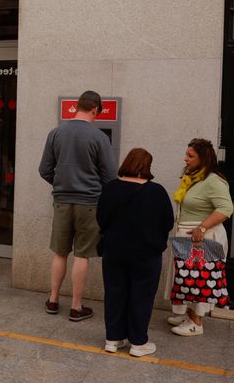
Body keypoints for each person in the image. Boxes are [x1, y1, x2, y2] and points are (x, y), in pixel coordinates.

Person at [38, 90, 116, 321]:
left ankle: (53, 300)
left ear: (77, 106)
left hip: (62, 202)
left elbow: (44, 170)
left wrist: (62, 184)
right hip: (90, 203)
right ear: (95, 110)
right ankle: (76, 306)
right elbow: (110, 176)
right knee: (82, 256)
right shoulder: (100, 137)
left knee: (60, 253)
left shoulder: (56, 133)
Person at [97, 148, 174, 357]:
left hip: (114, 251)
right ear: (147, 166)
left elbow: (101, 218)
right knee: (142, 296)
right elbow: (168, 221)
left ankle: (112, 339)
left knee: (114, 293)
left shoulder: (111, 188)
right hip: (146, 254)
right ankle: (138, 343)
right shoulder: (157, 192)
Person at [167, 138, 233, 337]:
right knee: (187, 278)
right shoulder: (193, 177)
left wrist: (202, 228)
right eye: (186, 154)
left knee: (200, 279)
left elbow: (227, 208)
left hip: (203, 237)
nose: (185, 159)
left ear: (202, 158)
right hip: (189, 237)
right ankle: (189, 314)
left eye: (190, 155)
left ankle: (197, 322)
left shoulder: (214, 180)